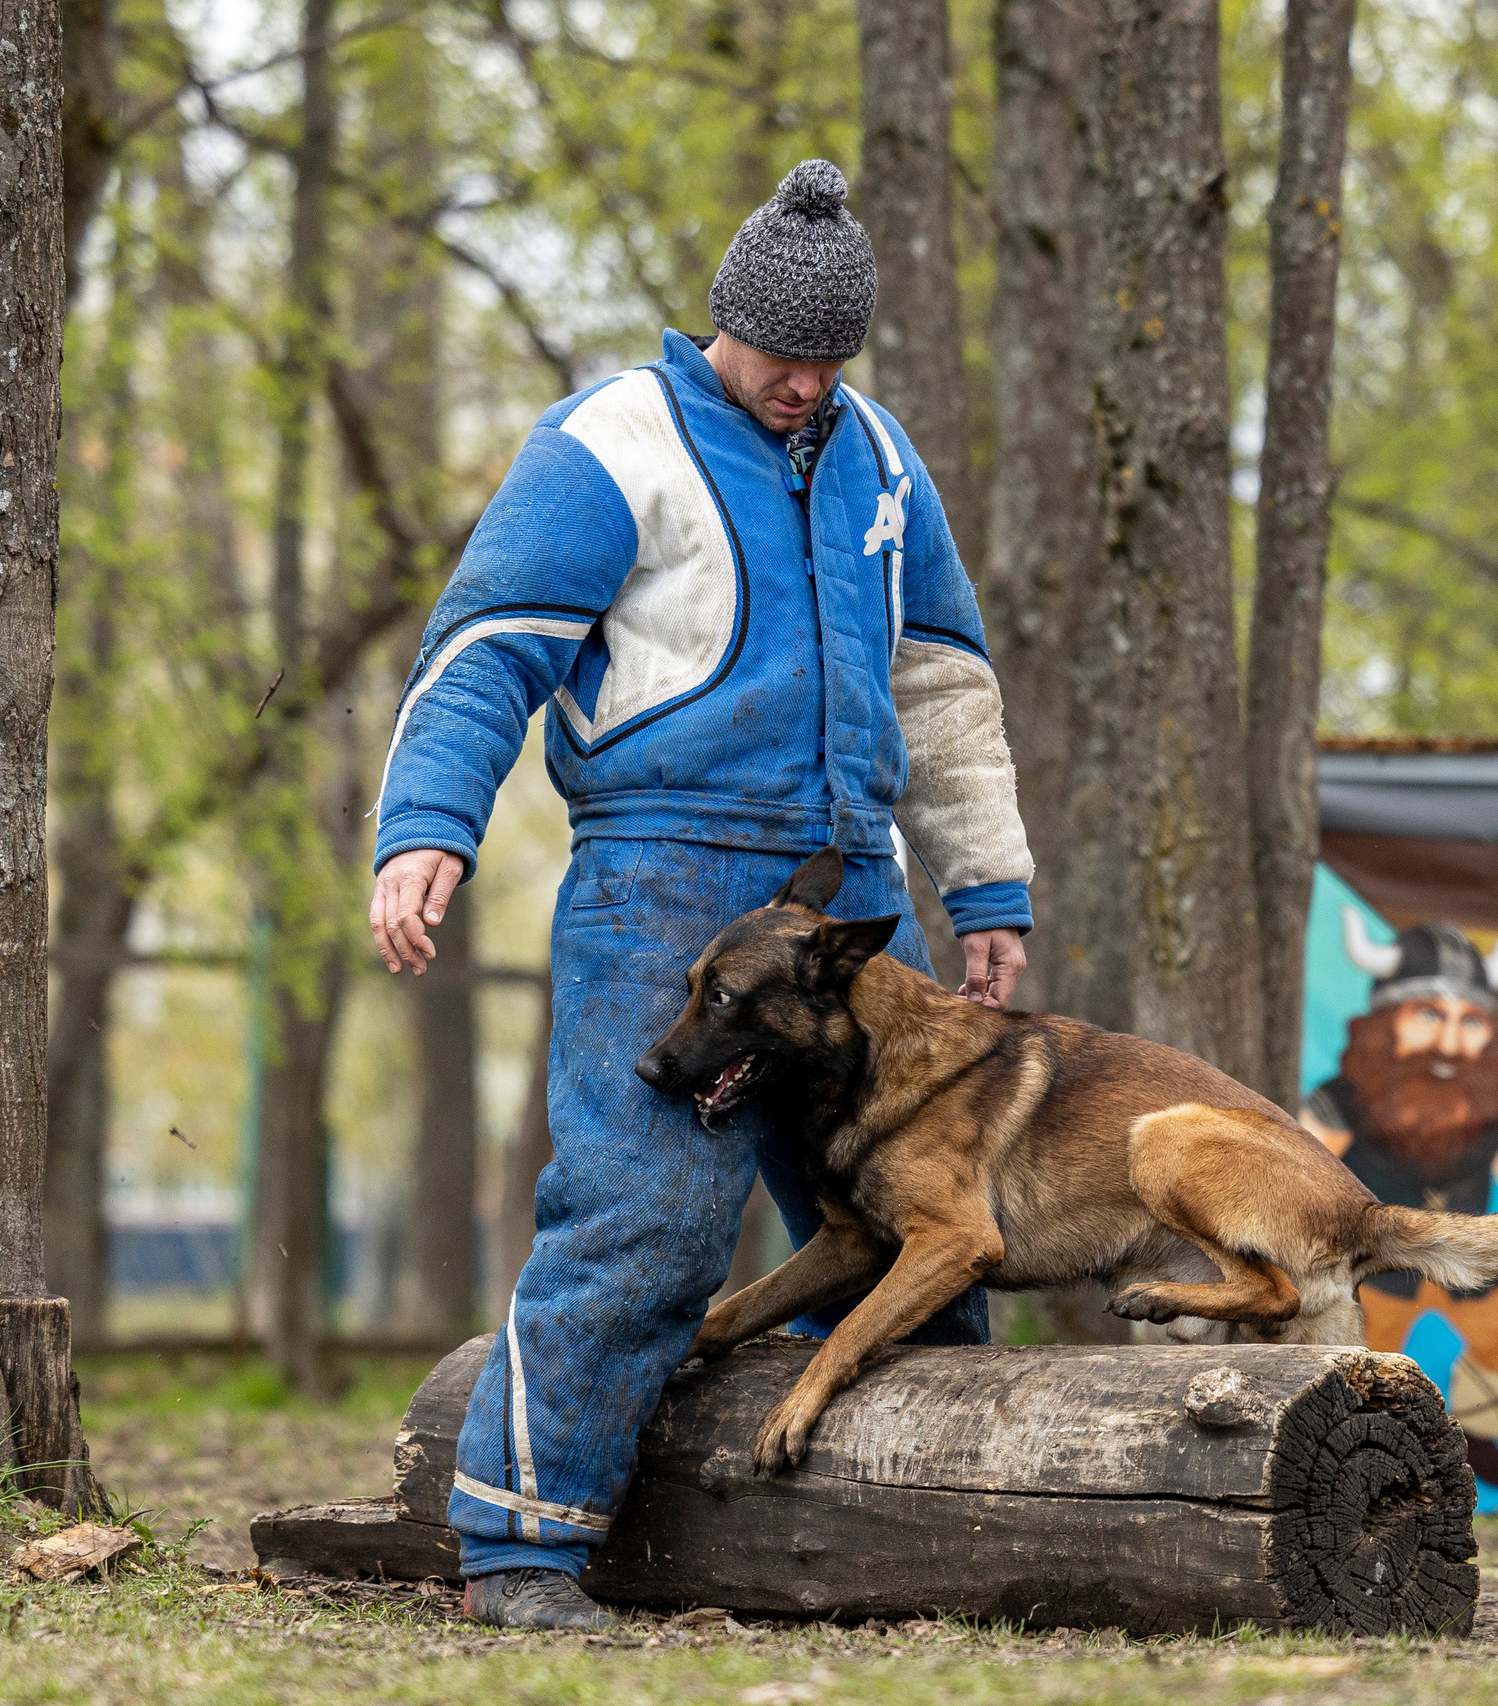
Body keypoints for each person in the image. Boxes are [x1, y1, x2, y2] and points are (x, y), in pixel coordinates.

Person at [367, 159, 1034, 1629]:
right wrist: (426, 827)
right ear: (726, 323)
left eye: (830, 359)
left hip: (857, 894)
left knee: (920, 1216)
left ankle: (959, 1533)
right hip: (667, 877)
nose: (806, 384)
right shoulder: (608, 443)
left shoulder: (880, 457)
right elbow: (486, 650)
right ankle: (524, 1550)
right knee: (643, 1216)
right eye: (785, 356)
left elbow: (944, 686)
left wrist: (986, 886)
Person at [1301, 910, 1498, 1489]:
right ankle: (1357, 1456)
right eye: (1427, 1015)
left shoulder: (1493, 1112)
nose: (1449, 1042)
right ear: (1385, 1020)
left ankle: (1475, 1445)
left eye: (1470, 1022)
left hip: (1467, 1257)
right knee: (1362, 1363)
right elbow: (1300, 1171)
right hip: (1379, 1264)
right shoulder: (1340, 1102)